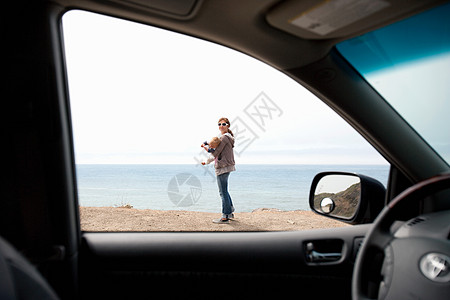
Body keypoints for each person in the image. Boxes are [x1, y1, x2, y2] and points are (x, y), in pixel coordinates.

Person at [201, 117, 236, 223]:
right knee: (225, 191)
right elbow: (217, 150)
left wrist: (206, 159)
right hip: (227, 166)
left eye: (224, 124)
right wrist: (207, 147)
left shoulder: (224, 138)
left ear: (228, 125)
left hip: (223, 167)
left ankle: (225, 216)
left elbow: (216, 153)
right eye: (219, 124)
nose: (221, 126)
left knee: (222, 192)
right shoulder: (226, 137)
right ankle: (230, 212)